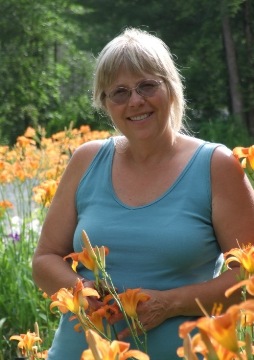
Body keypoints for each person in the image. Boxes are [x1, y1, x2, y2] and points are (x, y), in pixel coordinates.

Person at [32, 27, 254, 360]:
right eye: (119, 92)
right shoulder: (86, 160)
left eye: (148, 85)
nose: (136, 100)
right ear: (105, 103)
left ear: (172, 88)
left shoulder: (216, 165)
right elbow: (44, 259)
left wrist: (171, 304)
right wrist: (82, 292)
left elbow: (249, 274)